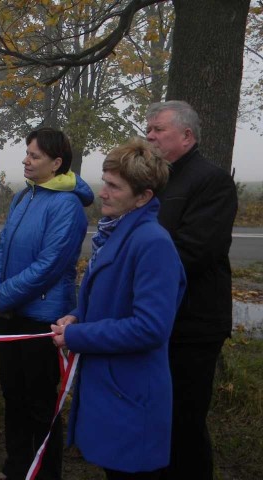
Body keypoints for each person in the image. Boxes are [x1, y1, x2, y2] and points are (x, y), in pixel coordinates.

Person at [51, 138, 187, 479]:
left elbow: (150, 327)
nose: (104, 193)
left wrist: (77, 335)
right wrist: (77, 316)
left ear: (143, 197)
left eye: (114, 186)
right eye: (105, 182)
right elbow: (113, 298)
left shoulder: (152, 243)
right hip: (112, 386)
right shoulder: (116, 233)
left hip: (131, 391)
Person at [0, 127, 93, 480]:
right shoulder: (24, 196)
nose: (25, 160)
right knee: (13, 395)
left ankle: (45, 472)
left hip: (40, 320)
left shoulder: (68, 206)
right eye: (26, 152)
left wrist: (2, 295)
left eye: (34, 156)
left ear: (57, 163)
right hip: (11, 313)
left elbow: (50, 265)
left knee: (40, 404)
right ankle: (16, 464)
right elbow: (2, 247)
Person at [145, 100, 238, 480]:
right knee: (157, 415)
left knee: (184, 421)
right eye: (147, 130)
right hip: (158, 318)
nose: (149, 136)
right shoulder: (156, 180)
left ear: (186, 135)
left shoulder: (210, 181)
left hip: (194, 325)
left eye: (158, 130)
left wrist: (136, 270)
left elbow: (195, 251)